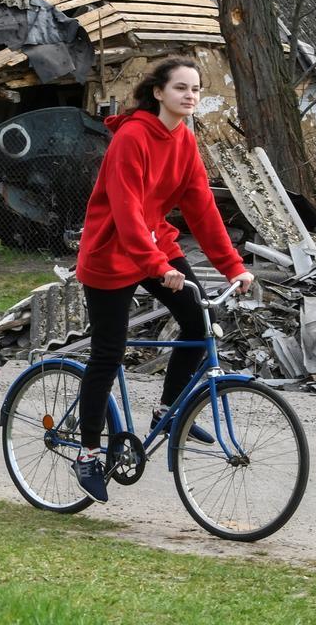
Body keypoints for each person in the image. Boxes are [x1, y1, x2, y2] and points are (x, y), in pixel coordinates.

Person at [71, 56, 254, 503]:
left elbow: (203, 212)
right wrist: (158, 267)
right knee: (108, 354)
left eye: (195, 89)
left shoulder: (185, 142)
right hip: (111, 255)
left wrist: (233, 266)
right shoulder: (132, 138)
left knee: (198, 324)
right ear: (158, 92)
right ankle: (89, 453)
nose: (190, 96)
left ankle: (169, 411)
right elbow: (127, 212)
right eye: (180, 88)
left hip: (157, 248)